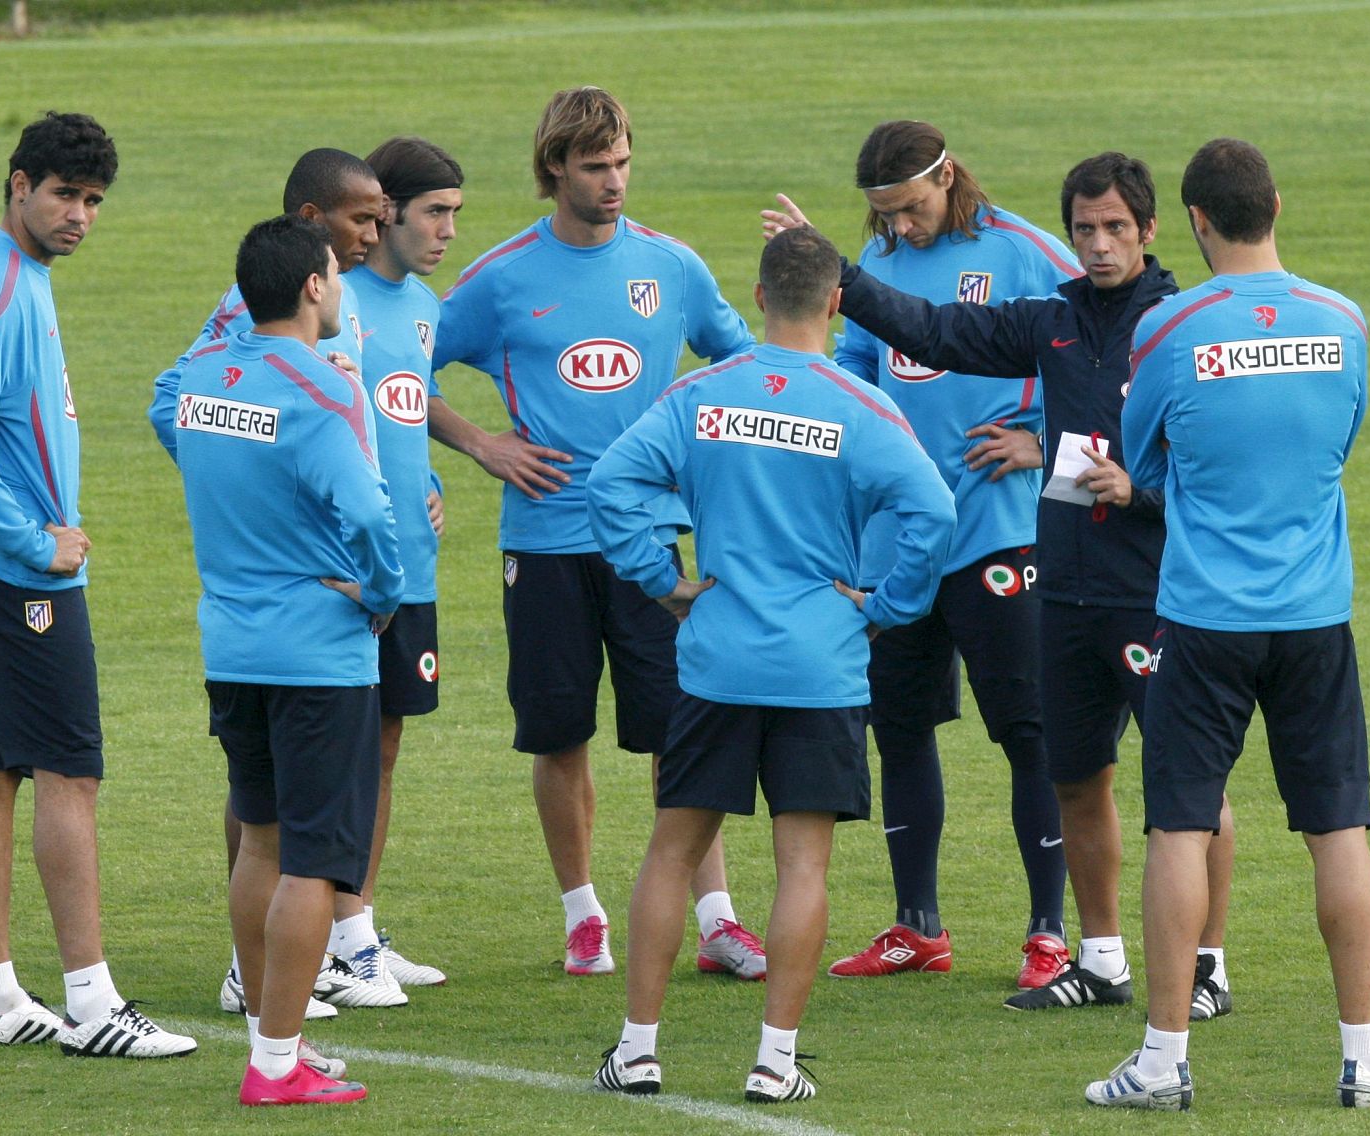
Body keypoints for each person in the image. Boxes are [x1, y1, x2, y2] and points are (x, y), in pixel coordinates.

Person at [763, 152, 1236, 1016]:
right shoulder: (1049, 320)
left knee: (1189, 779)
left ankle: (1207, 965)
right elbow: (934, 331)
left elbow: (1222, 461)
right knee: (1076, 773)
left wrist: (1139, 484)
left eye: (1115, 229)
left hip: (1159, 585)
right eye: (1085, 230)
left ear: (1150, 230)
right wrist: (833, 271)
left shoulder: (1178, 323)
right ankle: (1099, 960)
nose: (1098, 246)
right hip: (1065, 583)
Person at [585, 227, 955, 1102]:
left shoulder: (701, 393)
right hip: (821, 663)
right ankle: (774, 1063)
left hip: (717, 658)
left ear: (757, 297)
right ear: (835, 303)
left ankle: (637, 1051)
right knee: (804, 868)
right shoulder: (862, 408)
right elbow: (934, 512)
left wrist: (661, 581)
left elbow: (608, 485)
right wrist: (889, 607)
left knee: (674, 853)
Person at [1084, 138, 1370, 1110]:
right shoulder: (1342, 322)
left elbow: (1139, 456)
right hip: (1314, 613)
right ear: (1274, 200)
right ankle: (1363, 1055)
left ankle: (1160, 1058)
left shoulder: (1166, 326)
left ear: (1191, 220)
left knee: (1179, 824)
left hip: (1203, 615)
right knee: (1338, 826)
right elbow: (1339, 439)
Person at [433, 85, 765, 979]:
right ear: (554, 171)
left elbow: (746, 363)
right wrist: (478, 443)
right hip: (542, 541)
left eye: (622, 162)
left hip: (650, 540)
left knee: (680, 729)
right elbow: (394, 364)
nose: (614, 181)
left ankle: (719, 921)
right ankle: (583, 915)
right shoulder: (500, 279)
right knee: (558, 734)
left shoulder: (674, 267)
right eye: (594, 166)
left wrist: (711, 453)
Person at [0, 111, 195, 1058]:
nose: (79, 215)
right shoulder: (0, 285)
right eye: (64, 195)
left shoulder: (9, 274)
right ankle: (92, 1004)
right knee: (71, 772)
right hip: (11, 568)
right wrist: (35, 542)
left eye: (92, 201)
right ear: (17, 184)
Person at [815, 120, 1077, 989]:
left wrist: (1043, 439)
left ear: (949, 177)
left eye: (911, 209)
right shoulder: (876, 264)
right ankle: (916, 925)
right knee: (901, 728)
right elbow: (852, 365)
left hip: (999, 533)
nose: (899, 228)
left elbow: (1111, 352)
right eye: (884, 216)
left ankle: (1048, 933)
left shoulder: (1027, 253)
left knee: (1028, 732)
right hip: (898, 545)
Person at [149, 148, 403, 1014]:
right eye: (357, 226)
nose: (372, 238)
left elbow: (183, 406)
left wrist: (238, 475)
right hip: (316, 640)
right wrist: (381, 591)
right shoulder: (297, 360)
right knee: (313, 858)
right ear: (309, 262)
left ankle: (263, 1005)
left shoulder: (232, 367)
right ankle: (282, 1046)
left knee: (260, 837)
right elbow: (367, 519)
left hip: (234, 634)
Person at [325, 135, 464, 990]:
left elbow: (399, 409)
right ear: (384, 217)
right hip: (348, 569)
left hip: (409, 565)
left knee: (382, 748)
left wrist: (431, 477)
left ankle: (358, 928)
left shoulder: (424, 306)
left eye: (455, 214)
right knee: (333, 752)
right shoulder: (330, 300)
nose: (448, 230)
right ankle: (330, 929)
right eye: (434, 213)